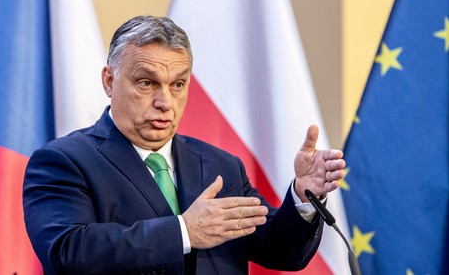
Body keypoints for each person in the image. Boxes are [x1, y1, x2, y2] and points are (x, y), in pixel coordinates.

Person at [23, 15, 346, 274]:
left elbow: (281, 252)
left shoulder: (221, 165)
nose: (165, 102)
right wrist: (184, 232)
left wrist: (303, 199)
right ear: (110, 80)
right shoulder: (64, 161)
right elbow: (67, 251)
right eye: (147, 83)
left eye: (178, 84)